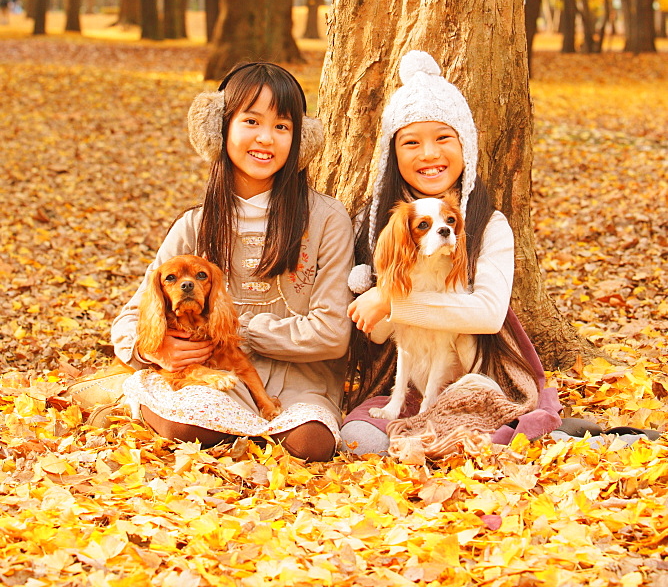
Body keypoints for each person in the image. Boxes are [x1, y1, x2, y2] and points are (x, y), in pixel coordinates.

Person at [112, 62, 354, 462]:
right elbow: (127, 321)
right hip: (212, 377)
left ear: (301, 140)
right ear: (220, 128)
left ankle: (247, 431)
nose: (266, 138)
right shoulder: (195, 224)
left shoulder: (328, 219)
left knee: (312, 445)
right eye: (251, 121)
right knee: (186, 424)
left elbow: (332, 333)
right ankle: (209, 423)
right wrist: (157, 351)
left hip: (300, 383)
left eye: (282, 126)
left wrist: (235, 329)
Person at [340, 50, 561, 456]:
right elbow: (375, 332)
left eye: (443, 138)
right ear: (393, 154)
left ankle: (466, 430)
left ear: (466, 148)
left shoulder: (488, 225)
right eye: (411, 142)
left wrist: (391, 298)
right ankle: (433, 430)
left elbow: (489, 315)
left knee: (485, 428)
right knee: (359, 441)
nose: (429, 154)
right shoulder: (375, 225)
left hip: (476, 370)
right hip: (398, 380)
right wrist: (384, 301)